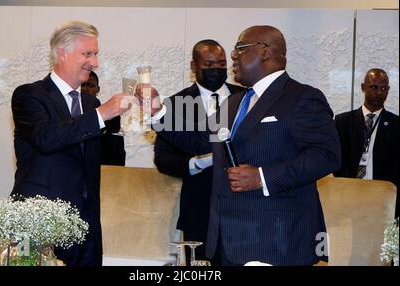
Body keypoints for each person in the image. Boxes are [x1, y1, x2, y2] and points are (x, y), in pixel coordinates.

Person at [138, 25, 341, 265]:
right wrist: (158, 113)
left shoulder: (301, 97)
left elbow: (327, 155)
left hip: (278, 239)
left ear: (265, 52)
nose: (233, 56)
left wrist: (263, 177)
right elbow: (202, 140)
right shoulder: (234, 102)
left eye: (240, 48)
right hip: (229, 243)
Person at [11, 20, 131, 266]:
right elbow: (47, 138)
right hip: (36, 226)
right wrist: (102, 115)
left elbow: (107, 158)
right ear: (62, 54)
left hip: (87, 229)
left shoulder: (90, 105)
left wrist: (146, 112)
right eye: (87, 54)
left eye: (96, 54)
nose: (95, 62)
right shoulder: (29, 95)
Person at [153, 40, 243, 265]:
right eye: (209, 64)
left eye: (222, 64)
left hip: (244, 207)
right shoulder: (176, 104)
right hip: (200, 210)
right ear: (194, 67)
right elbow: (163, 160)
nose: (216, 70)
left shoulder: (245, 98)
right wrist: (196, 163)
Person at [333, 68, 398, 215]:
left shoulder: (396, 125)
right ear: (363, 88)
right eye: (374, 87)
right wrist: (351, 186)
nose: (380, 93)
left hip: (384, 198)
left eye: (384, 88)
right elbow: (336, 158)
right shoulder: (342, 122)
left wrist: (383, 189)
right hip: (348, 195)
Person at [82, 71, 126, 166]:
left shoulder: (111, 117)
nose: (85, 89)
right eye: (82, 85)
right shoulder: (69, 113)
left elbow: (117, 154)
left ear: (98, 89)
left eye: (90, 85)